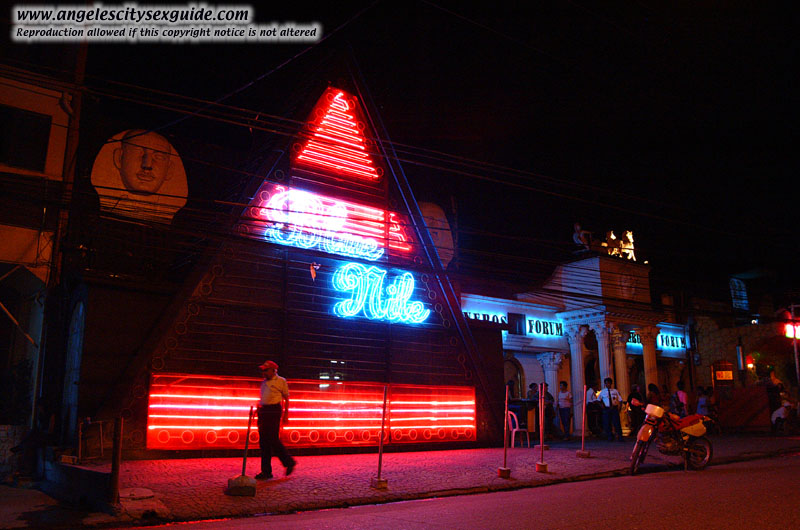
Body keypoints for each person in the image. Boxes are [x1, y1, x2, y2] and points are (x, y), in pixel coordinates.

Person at [255, 360, 296, 480]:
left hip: (274, 410)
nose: (263, 373)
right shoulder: (263, 382)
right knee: (264, 442)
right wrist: (258, 409)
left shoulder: (281, 381)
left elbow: (286, 398)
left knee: (272, 439)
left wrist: (286, 415)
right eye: (263, 370)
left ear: (273, 370)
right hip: (264, 411)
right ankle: (266, 471)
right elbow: (263, 398)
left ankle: (288, 461)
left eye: (266, 370)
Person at [598, 377, 623, 441]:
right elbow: (598, 400)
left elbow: (620, 400)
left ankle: (620, 436)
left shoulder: (615, 391)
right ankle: (610, 436)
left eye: (609, 383)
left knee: (616, 423)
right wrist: (602, 406)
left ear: (611, 384)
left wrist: (619, 407)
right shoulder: (603, 392)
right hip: (607, 409)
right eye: (606, 383)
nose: (608, 385)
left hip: (614, 408)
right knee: (607, 423)